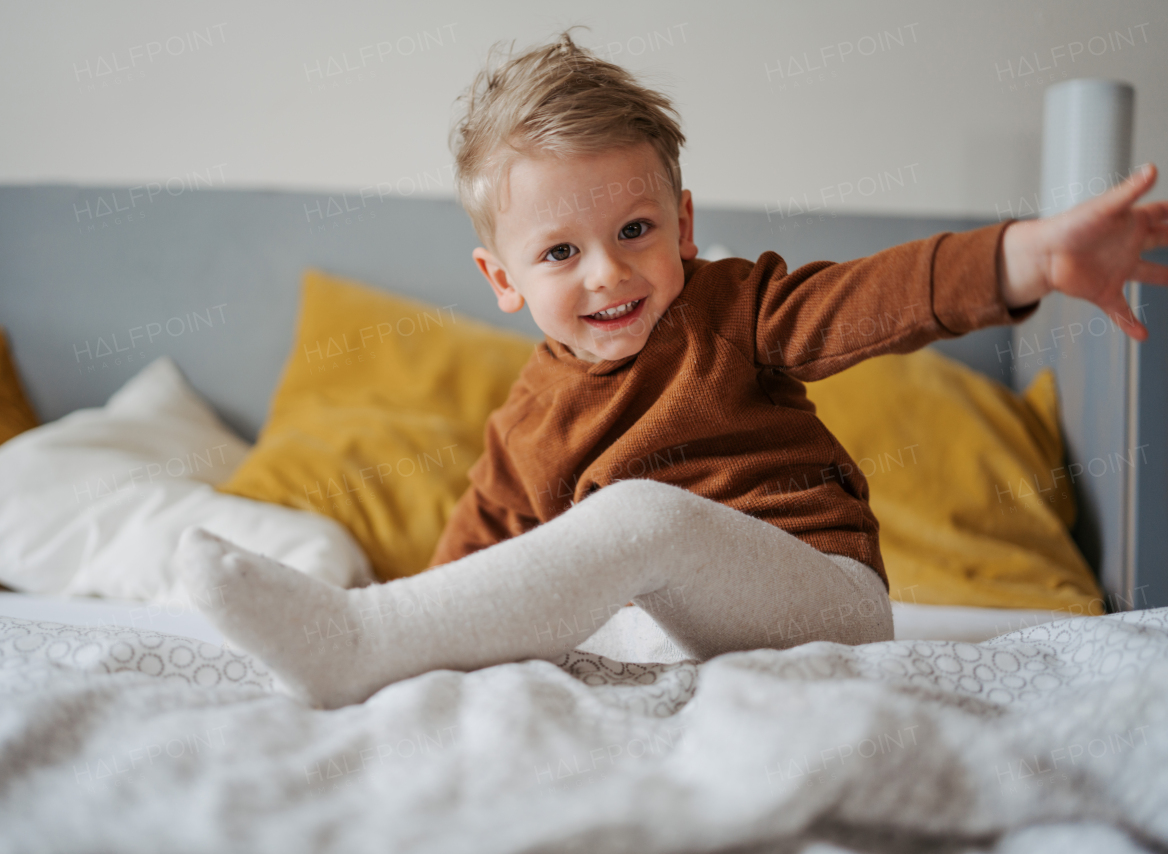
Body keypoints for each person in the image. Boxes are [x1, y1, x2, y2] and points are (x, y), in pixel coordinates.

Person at [176, 32, 1168, 709]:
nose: (608, 271)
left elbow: (875, 296)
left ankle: (353, 642)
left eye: (635, 229)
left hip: (823, 602)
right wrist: (426, 634)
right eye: (559, 252)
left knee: (636, 518)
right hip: (676, 636)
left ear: (682, 225)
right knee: (571, 592)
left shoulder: (734, 306)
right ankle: (365, 641)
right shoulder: (527, 423)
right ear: (502, 277)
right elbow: (472, 573)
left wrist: (1027, 256)